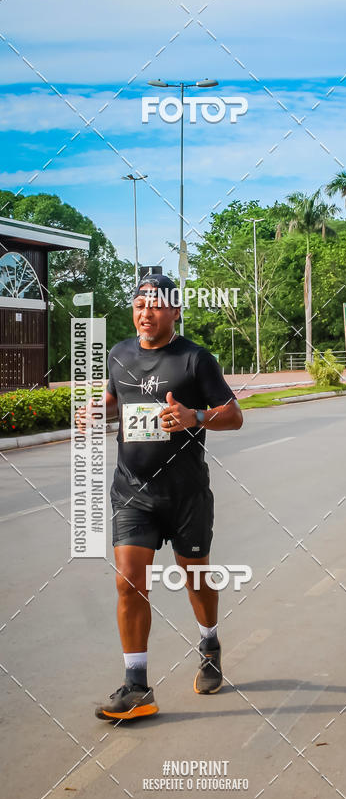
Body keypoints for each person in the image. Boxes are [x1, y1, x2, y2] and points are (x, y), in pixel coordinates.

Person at [77, 275, 243, 721]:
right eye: (138, 304)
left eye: (156, 304)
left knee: (196, 581)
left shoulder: (195, 359)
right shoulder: (119, 354)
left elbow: (234, 415)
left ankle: (209, 641)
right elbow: (118, 400)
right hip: (133, 491)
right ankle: (136, 686)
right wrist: (99, 411)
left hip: (186, 495)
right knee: (128, 582)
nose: (146, 312)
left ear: (175, 312)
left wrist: (196, 416)